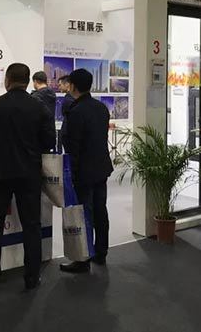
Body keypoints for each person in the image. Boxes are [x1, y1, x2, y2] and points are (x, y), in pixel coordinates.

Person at [0, 63, 56, 290]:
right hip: (28, 174)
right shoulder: (39, 108)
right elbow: (49, 142)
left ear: (7, 80)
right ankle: (32, 277)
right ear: (27, 81)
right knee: (31, 226)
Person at [61, 68, 114, 273]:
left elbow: (73, 146)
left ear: (73, 86)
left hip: (83, 170)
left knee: (84, 213)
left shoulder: (76, 111)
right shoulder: (101, 108)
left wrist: (70, 174)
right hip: (101, 167)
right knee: (100, 211)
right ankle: (101, 252)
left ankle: (82, 259)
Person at [58, 75, 74, 151]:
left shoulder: (68, 99)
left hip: (69, 134)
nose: (59, 88)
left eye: (60, 85)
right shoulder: (72, 98)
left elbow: (64, 112)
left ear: (67, 84)